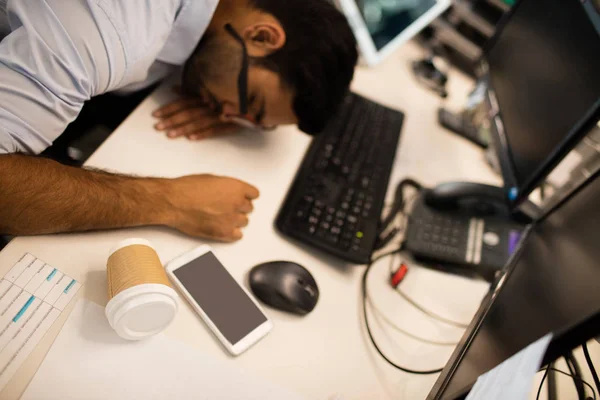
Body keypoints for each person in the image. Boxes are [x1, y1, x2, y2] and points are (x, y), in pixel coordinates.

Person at [0, 0, 358, 242]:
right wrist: (169, 201)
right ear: (262, 35)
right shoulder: (117, 35)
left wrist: (227, 92)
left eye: (251, 119)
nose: (225, 114)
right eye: (251, 101)